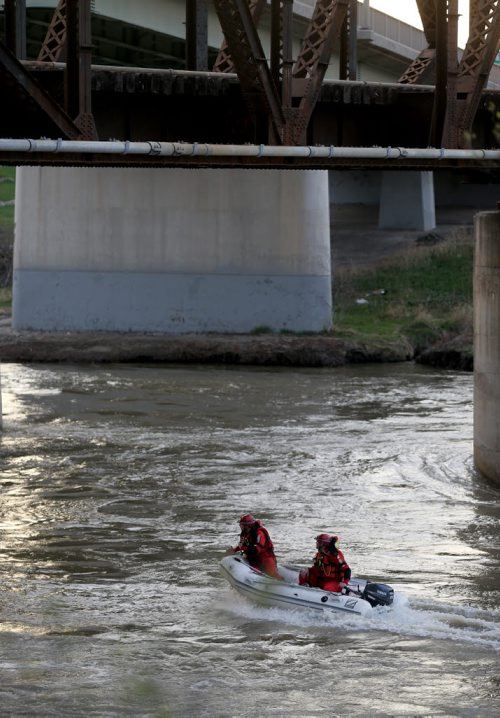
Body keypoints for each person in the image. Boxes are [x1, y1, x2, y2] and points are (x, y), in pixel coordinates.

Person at [230, 514, 282, 579]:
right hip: (254, 559)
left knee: (273, 575)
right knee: (255, 573)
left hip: (265, 557)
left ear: (248, 525)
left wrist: (243, 548)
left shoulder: (259, 533)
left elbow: (256, 549)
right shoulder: (246, 533)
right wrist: (234, 550)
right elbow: (243, 544)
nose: (241, 527)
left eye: (242, 525)